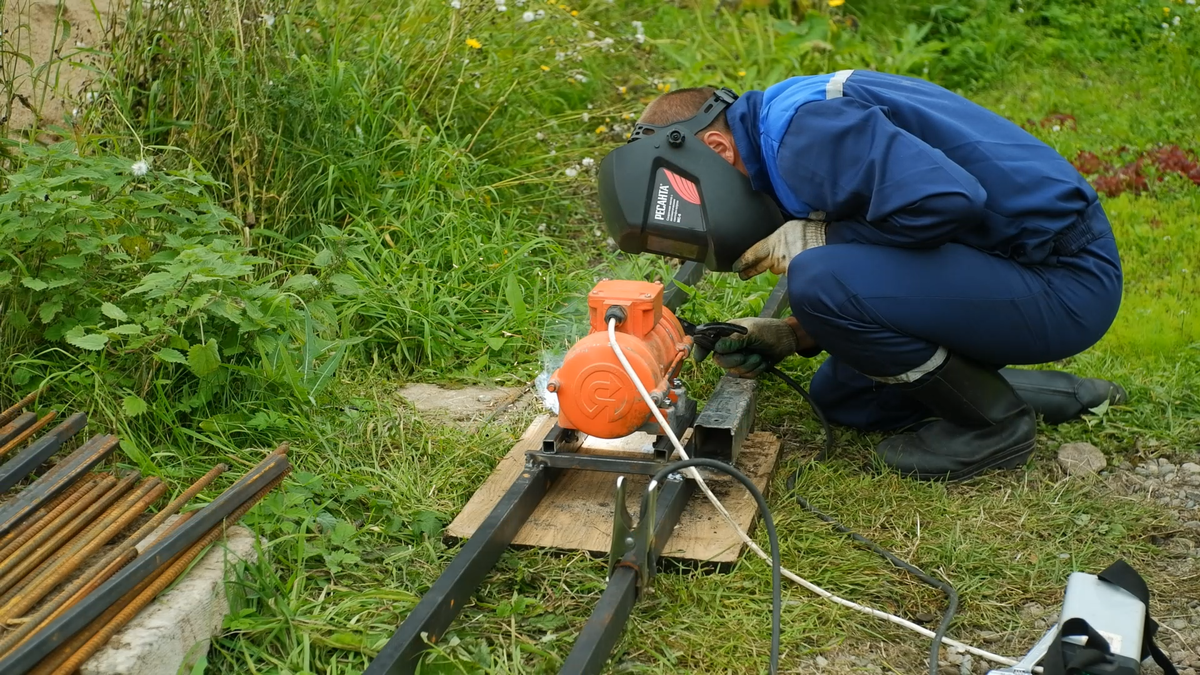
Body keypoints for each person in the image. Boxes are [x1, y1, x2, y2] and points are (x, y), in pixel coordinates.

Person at [635, 70, 1126, 482]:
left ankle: (994, 427)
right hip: (1010, 266)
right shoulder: (783, 119)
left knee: (819, 276)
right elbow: (900, 242)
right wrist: (794, 334)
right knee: (848, 400)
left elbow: (948, 202)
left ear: (718, 147)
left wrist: (819, 238)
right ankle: (1060, 394)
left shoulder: (802, 136)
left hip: (1062, 281)